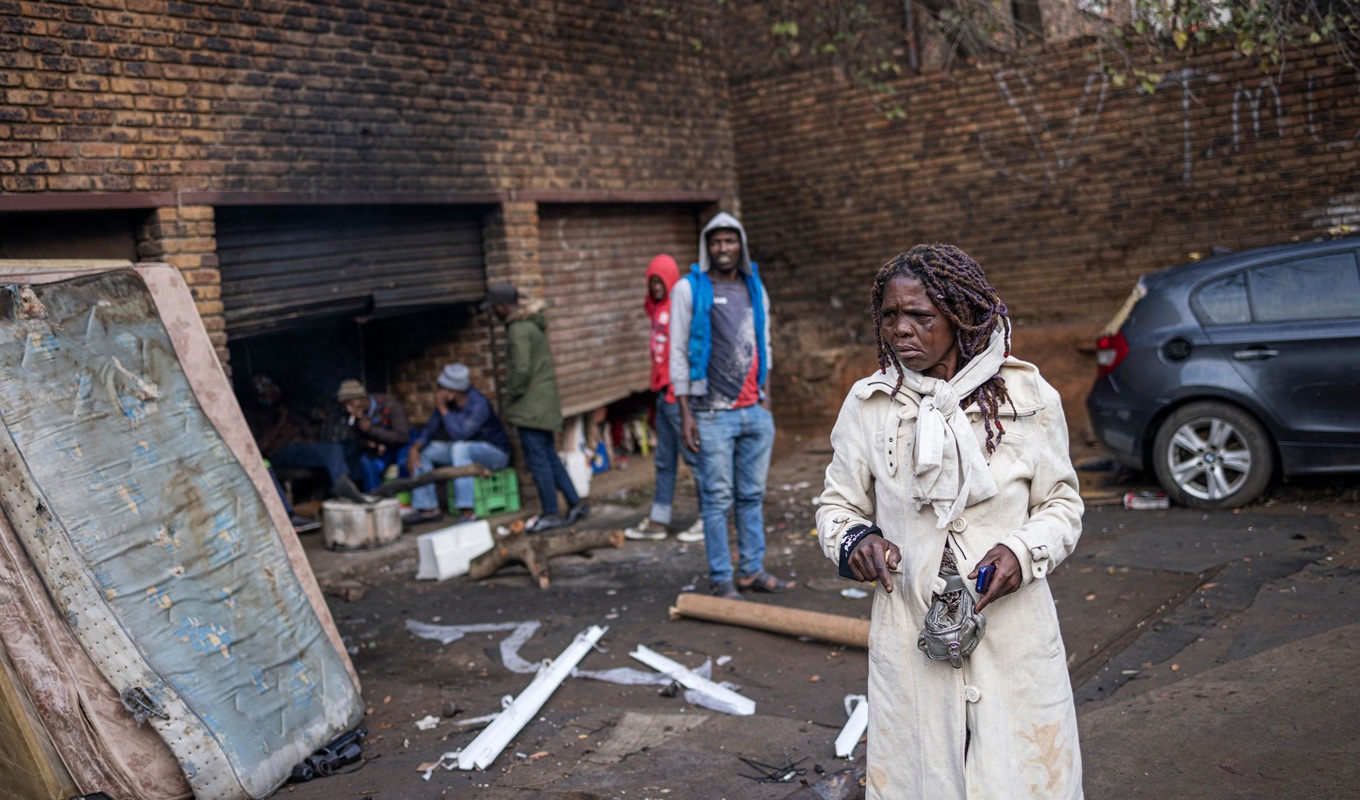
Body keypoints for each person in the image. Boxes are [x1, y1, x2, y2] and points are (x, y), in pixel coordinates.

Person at [815, 244, 1084, 799]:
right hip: (912, 632)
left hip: (1013, 633)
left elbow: (1062, 504)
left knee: (1023, 775)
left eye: (920, 316)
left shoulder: (1027, 398)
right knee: (923, 780)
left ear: (959, 314)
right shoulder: (870, 406)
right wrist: (855, 540)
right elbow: (836, 505)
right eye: (890, 316)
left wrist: (1022, 551)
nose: (900, 331)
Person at [669, 212, 791, 599]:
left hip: (754, 409)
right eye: (716, 242)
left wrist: (766, 399)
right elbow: (676, 350)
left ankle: (751, 571)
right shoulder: (689, 289)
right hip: (710, 413)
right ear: (708, 247)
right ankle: (722, 576)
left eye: (730, 241)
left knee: (751, 496)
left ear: (740, 245)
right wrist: (685, 411)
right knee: (717, 498)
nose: (723, 248)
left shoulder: (754, 287)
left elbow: (764, 344)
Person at [483, 282, 589, 532]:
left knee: (538, 461)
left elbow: (520, 370)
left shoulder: (517, 330)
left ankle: (551, 512)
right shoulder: (531, 325)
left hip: (530, 407)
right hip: (542, 404)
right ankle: (575, 503)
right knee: (549, 457)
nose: (493, 313)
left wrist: (511, 403)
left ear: (501, 306)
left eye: (494, 308)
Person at [624, 253, 705, 543]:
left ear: (671, 281)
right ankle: (659, 520)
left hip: (676, 397)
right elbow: (649, 303)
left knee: (695, 460)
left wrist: (679, 393)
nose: (656, 286)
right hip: (662, 394)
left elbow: (685, 352)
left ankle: (709, 519)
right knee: (664, 461)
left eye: (661, 281)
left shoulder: (678, 310)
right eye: (652, 281)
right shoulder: (657, 308)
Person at [405, 364, 513, 525]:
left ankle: (467, 511)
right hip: (465, 453)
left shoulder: (479, 404)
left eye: (442, 388)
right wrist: (415, 447)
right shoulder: (448, 404)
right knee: (426, 451)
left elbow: (461, 434)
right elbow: (431, 428)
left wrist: (442, 408)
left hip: (495, 454)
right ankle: (428, 508)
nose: (439, 392)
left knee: (460, 447)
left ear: (452, 391)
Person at [242, 374, 367, 502]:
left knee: (348, 448)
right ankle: (341, 485)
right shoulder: (252, 416)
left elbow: (304, 426)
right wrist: (280, 422)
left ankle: (355, 489)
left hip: (302, 447)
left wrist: (311, 432)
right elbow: (260, 446)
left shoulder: (282, 407)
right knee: (332, 450)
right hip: (281, 453)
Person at [336, 378, 411, 492]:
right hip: (382, 450)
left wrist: (372, 431)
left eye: (351, 403)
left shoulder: (389, 404)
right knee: (366, 462)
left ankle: (405, 501)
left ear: (361, 398)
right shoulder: (355, 415)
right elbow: (358, 441)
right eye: (345, 405)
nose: (348, 409)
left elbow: (402, 437)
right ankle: (374, 499)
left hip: (402, 446)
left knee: (404, 462)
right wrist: (369, 444)